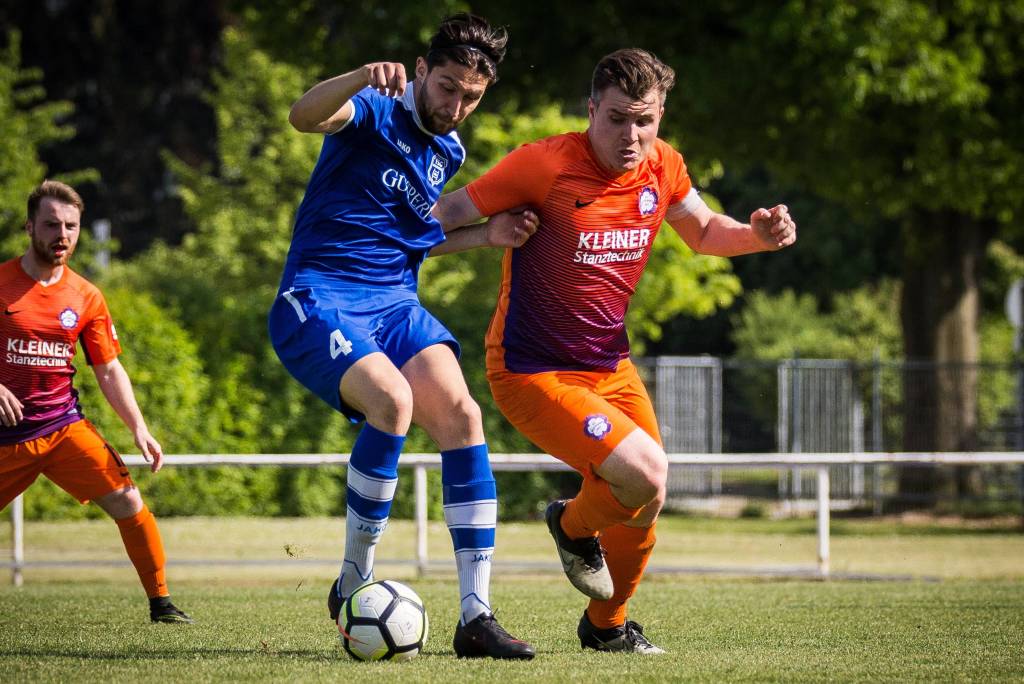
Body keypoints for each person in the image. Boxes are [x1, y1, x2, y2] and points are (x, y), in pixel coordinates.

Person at [434, 48, 797, 654]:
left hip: (609, 367)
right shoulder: (541, 165)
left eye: (645, 120)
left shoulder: (663, 166)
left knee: (647, 498)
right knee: (645, 473)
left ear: (660, 118)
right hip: (530, 370)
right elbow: (432, 221)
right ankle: (568, 523)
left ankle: (606, 628)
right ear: (591, 109)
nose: (632, 135)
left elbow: (706, 233)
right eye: (618, 118)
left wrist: (756, 238)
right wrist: (485, 236)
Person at [268, 13, 536, 659]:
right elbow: (303, 117)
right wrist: (360, 75)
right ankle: (354, 580)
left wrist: (485, 236)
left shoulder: (449, 151)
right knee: (392, 402)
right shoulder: (373, 106)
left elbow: (413, 241)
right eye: (446, 87)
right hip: (320, 296)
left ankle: (476, 615)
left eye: (471, 96)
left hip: (394, 300)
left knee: (464, 416)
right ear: (420, 70)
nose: (455, 105)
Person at [0, 180, 191, 624]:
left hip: (63, 429)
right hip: (7, 439)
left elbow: (107, 368)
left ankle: (161, 604)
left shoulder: (86, 296)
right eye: (51, 224)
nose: (61, 234)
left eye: (70, 226)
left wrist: (139, 428)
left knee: (128, 501)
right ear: (30, 227)